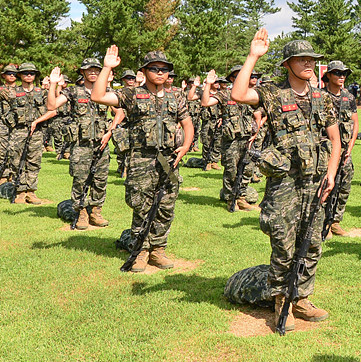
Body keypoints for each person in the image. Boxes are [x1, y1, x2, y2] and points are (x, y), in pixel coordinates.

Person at [230, 30, 340, 330]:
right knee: (283, 241)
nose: (308, 64)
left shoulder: (322, 97)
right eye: (301, 59)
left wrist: (331, 173)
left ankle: (302, 296)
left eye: (312, 59)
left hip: (316, 179)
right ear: (288, 64)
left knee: (313, 239)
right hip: (285, 181)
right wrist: (253, 56)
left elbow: (335, 138)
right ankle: (281, 299)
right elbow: (238, 94)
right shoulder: (273, 94)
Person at [91, 48, 194, 272]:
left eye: (164, 69)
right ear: (144, 71)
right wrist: (107, 67)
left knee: (166, 205)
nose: (160, 73)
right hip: (141, 158)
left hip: (168, 159)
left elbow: (186, 122)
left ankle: (158, 249)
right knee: (141, 205)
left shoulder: (176, 95)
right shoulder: (131, 94)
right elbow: (98, 96)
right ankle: (141, 252)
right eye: (154, 69)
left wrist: (185, 146)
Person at [46, 58, 114, 229]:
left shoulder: (106, 91)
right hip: (81, 144)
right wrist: (53, 85)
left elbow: (120, 112)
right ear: (82, 72)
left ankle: (96, 212)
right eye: (89, 70)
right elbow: (52, 105)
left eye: (96, 70)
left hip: (101, 144)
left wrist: (110, 131)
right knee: (80, 179)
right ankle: (81, 212)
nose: (93, 72)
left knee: (100, 179)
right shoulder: (73, 92)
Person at [201, 66, 259, 211]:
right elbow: (205, 102)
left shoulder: (252, 94)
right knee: (231, 170)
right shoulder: (224, 94)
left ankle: (242, 198)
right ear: (232, 79)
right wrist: (208, 84)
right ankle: (230, 199)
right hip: (231, 139)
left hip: (248, 138)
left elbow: (259, 113)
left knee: (247, 169)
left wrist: (256, 131)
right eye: (237, 76)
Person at [2, 62, 55, 204]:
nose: (29, 75)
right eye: (25, 73)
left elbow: (53, 110)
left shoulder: (41, 92)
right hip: (17, 131)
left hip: (36, 132)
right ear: (20, 75)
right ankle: (20, 191)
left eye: (31, 73)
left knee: (34, 161)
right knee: (16, 160)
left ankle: (31, 191)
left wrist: (37, 121)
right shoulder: (11, 92)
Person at [321, 60, 358, 236]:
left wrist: (349, 148)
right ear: (328, 75)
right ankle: (322, 223)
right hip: (324, 151)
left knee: (343, 186)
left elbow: (355, 123)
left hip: (344, 151)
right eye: (337, 73)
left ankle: (335, 221)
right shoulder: (319, 97)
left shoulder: (349, 97)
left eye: (344, 74)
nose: (341, 76)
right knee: (323, 185)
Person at [0, 64, 18, 184]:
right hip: (3, 123)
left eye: (14, 73)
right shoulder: (1, 90)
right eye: (9, 73)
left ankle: (13, 175)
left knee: (16, 150)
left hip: (18, 124)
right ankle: (3, 175)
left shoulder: (21, 89)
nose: (12, 75)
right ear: (3, 75)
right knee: (2, 150)